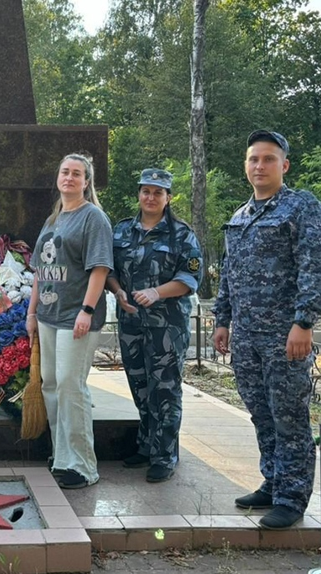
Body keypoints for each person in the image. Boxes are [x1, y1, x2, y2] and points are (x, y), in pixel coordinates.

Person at [211, 130, 321, 529]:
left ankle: (292, 497)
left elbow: (317, 265)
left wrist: (304, 322)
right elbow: (229, 274)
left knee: (289, 417)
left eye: (268, 159)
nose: (259, 166)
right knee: (261, 414)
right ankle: (273, 480)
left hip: (286, 337)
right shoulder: (240, 216)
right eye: (253, 159)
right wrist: (222, 320)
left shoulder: (301, 207)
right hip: (246, 337)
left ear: (284, 165)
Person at [105, 168, 202, 483]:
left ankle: (165, 455)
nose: (150, 197)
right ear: (139, 194)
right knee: (140, 387)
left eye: (157, 193)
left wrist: (157, 292)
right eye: (146, 191)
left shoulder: (181, 234)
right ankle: (146, 446)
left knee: (165, 391)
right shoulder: (121, 231)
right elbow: (108, 270)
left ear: (168, 197)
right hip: (131, 323)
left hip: (166, 328)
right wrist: (118, 291)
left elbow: (190, 279)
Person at [26, 152, 113, 490]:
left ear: (86, 182)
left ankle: (82, 465)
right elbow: (39, 272)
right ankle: (61, 455)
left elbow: (100, 269)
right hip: (48, 316)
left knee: (70, 385)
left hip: (76, 316)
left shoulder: (93, 219)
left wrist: (87, 310)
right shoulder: (54, 220)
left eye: (77, 174)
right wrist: (32, 313)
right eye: (65, 172)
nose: (70, 178)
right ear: (58, 178)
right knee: (50, 384)